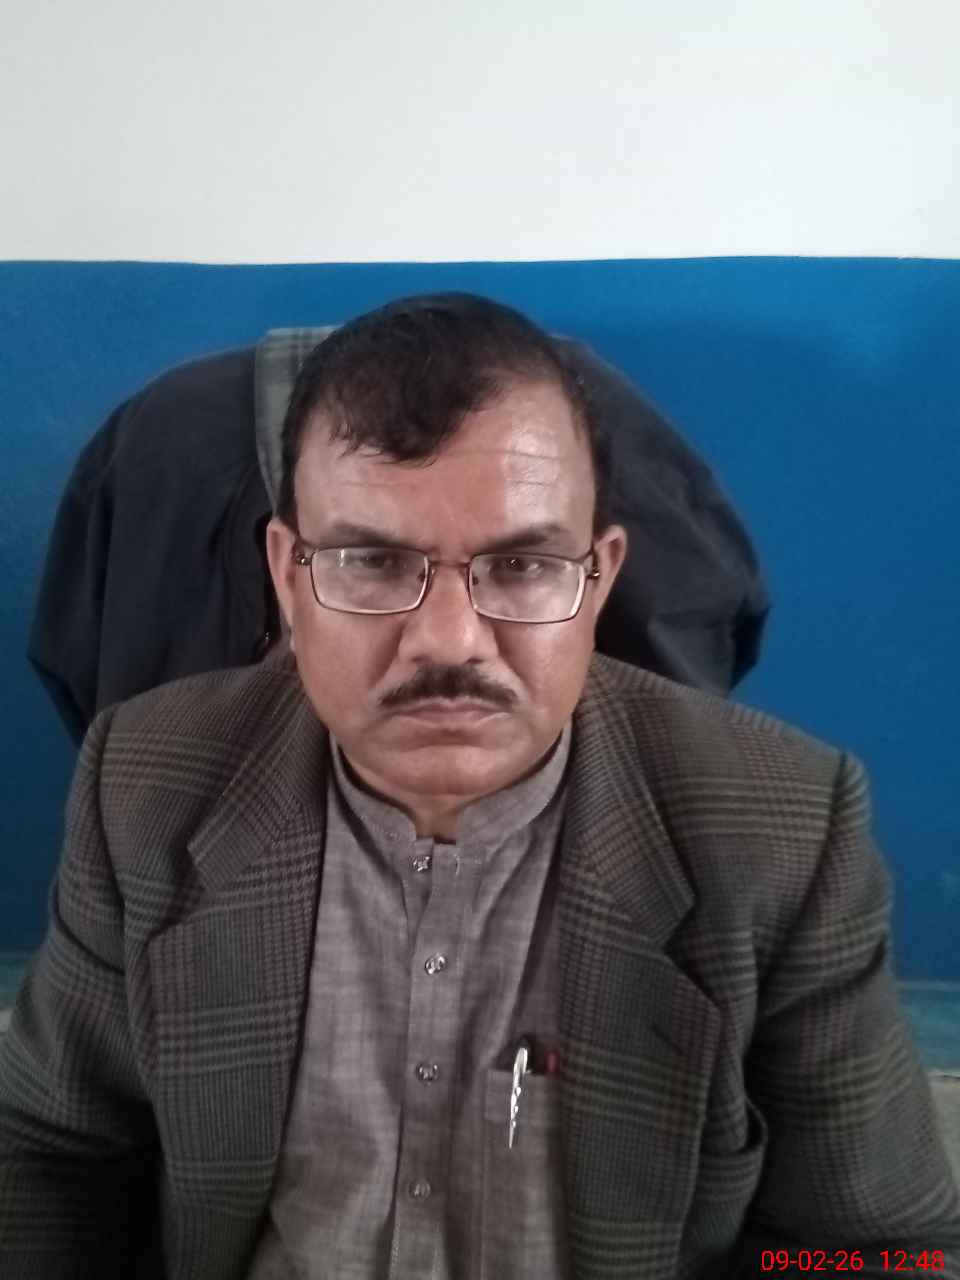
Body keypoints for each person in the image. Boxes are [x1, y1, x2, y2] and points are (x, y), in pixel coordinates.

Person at [0, 293, 957, 1279]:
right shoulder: (148, 784)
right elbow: (50, 1154)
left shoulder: (783, 835)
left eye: (524, 564)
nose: (449, 640)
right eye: (373, 561)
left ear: (598, 577)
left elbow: (884, 1253)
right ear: (288, 574)